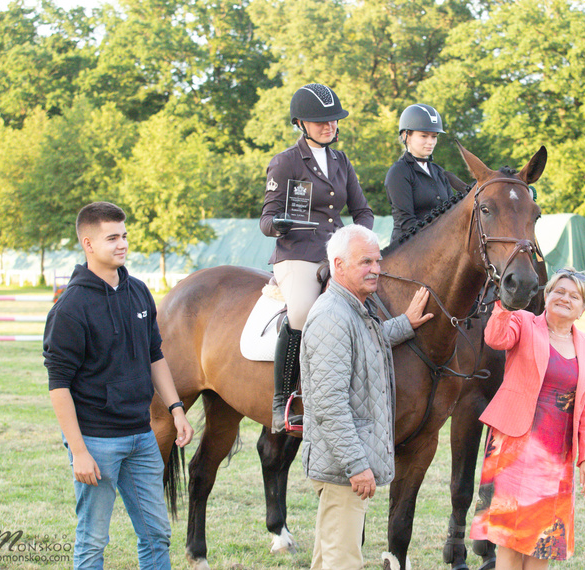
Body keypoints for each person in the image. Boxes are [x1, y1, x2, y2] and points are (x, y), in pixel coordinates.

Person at [43, 202, 194, 569]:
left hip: (142, 436)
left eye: (124, 235)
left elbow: (154, 355)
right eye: (112, 238)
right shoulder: (71, 306)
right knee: (93, 541)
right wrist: (78, 450)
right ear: (89, 244)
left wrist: (176, 410)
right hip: (96, 442)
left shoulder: (138, 291)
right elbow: (58, 385)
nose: (122, 243)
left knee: (157, 534)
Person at [300, 224, 433, 569]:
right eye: (365, 262)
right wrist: (357, 465)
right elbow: (330, 405)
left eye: (377, 260)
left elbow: (365, 342)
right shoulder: (332, 315)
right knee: (343, 561)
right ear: (339, 265)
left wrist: (404, 323)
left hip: (343, 464)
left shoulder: (354, 309)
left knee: (329, 558)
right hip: (343, 467)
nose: (375, 268)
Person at [260, 83, 374, 433]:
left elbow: (363, 211)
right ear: (300, 124)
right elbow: (266, 219)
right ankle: (284, 399)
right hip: (297, 253)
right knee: (302, 313)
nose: (330, 127)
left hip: (337, 253)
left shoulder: (341, 161)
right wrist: (278, 225)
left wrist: (361, 243)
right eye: (321, 121)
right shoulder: (285, 163)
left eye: (334, 121)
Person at [471, 267, 585, 570]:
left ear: (583, 309)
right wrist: (506, 302)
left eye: (574, 296)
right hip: (513, 448)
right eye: (558, 291)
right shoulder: (525, 322)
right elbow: (495, 337)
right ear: (546, 295)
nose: (565, 298)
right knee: (510, 538)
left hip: (556, 455)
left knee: (542, 541)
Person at [385, 103, 457, 243]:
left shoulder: (439, 172)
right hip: (409, 249)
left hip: (440, 247)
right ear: (407, 135)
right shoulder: (398, 173)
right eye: (424, 136)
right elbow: (406, 222)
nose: (430, 142)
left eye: (434, 136)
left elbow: (451, 213)